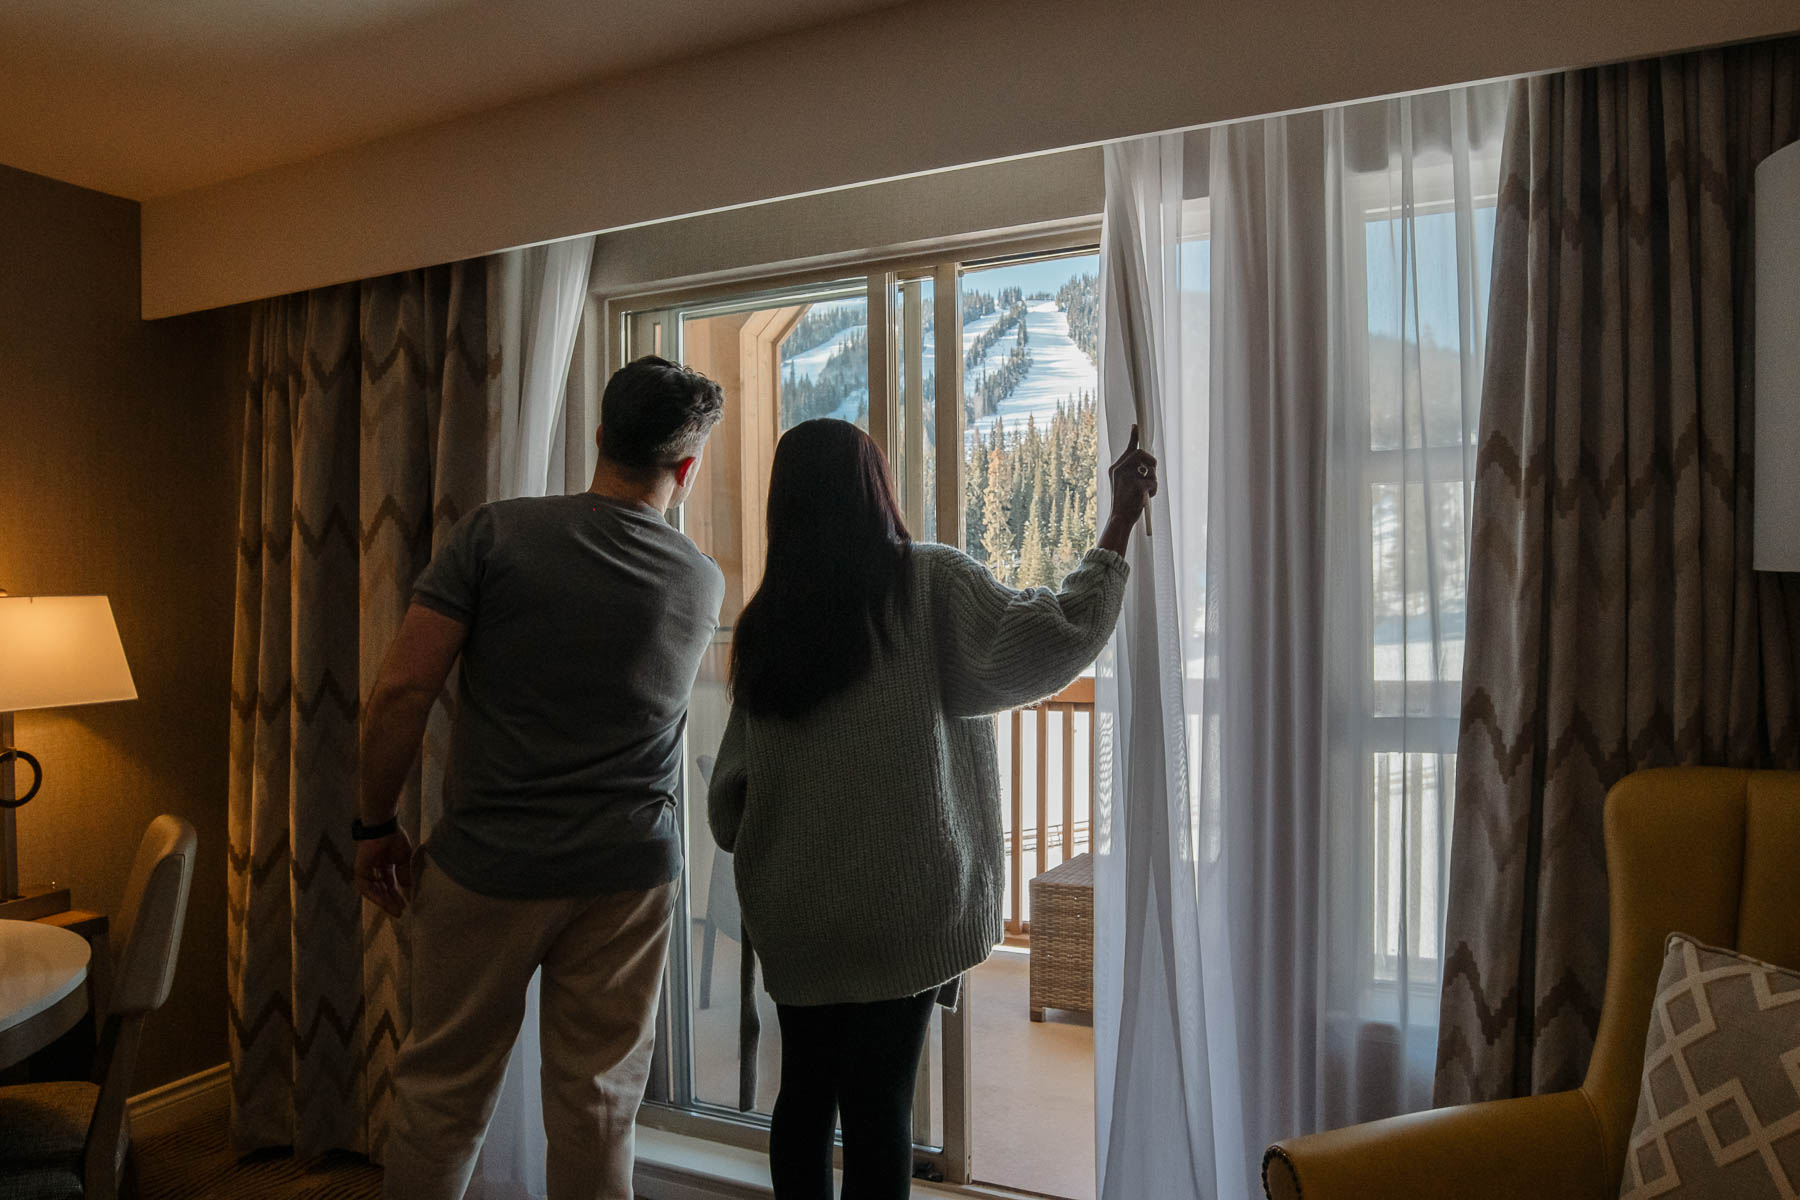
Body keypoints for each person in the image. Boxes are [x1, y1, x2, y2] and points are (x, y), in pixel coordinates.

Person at [708, 417, 1157, 1199]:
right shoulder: (925, 583)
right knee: (881, 1108)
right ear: (873, 488)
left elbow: (728, 805)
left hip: (798, 914)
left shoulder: (766, 624)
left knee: (805, 1097)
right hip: (902, 908)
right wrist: (1117, 519)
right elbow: (1051, 638)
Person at [355, 355, 726, 1200]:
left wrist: (373, 824)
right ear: (688, 467)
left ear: (599, 436)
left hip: (490, 864)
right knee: (598, 1108)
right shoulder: (701, 582)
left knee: (443, 1095)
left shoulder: (496, 534)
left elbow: (403, 691)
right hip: (627, 877)